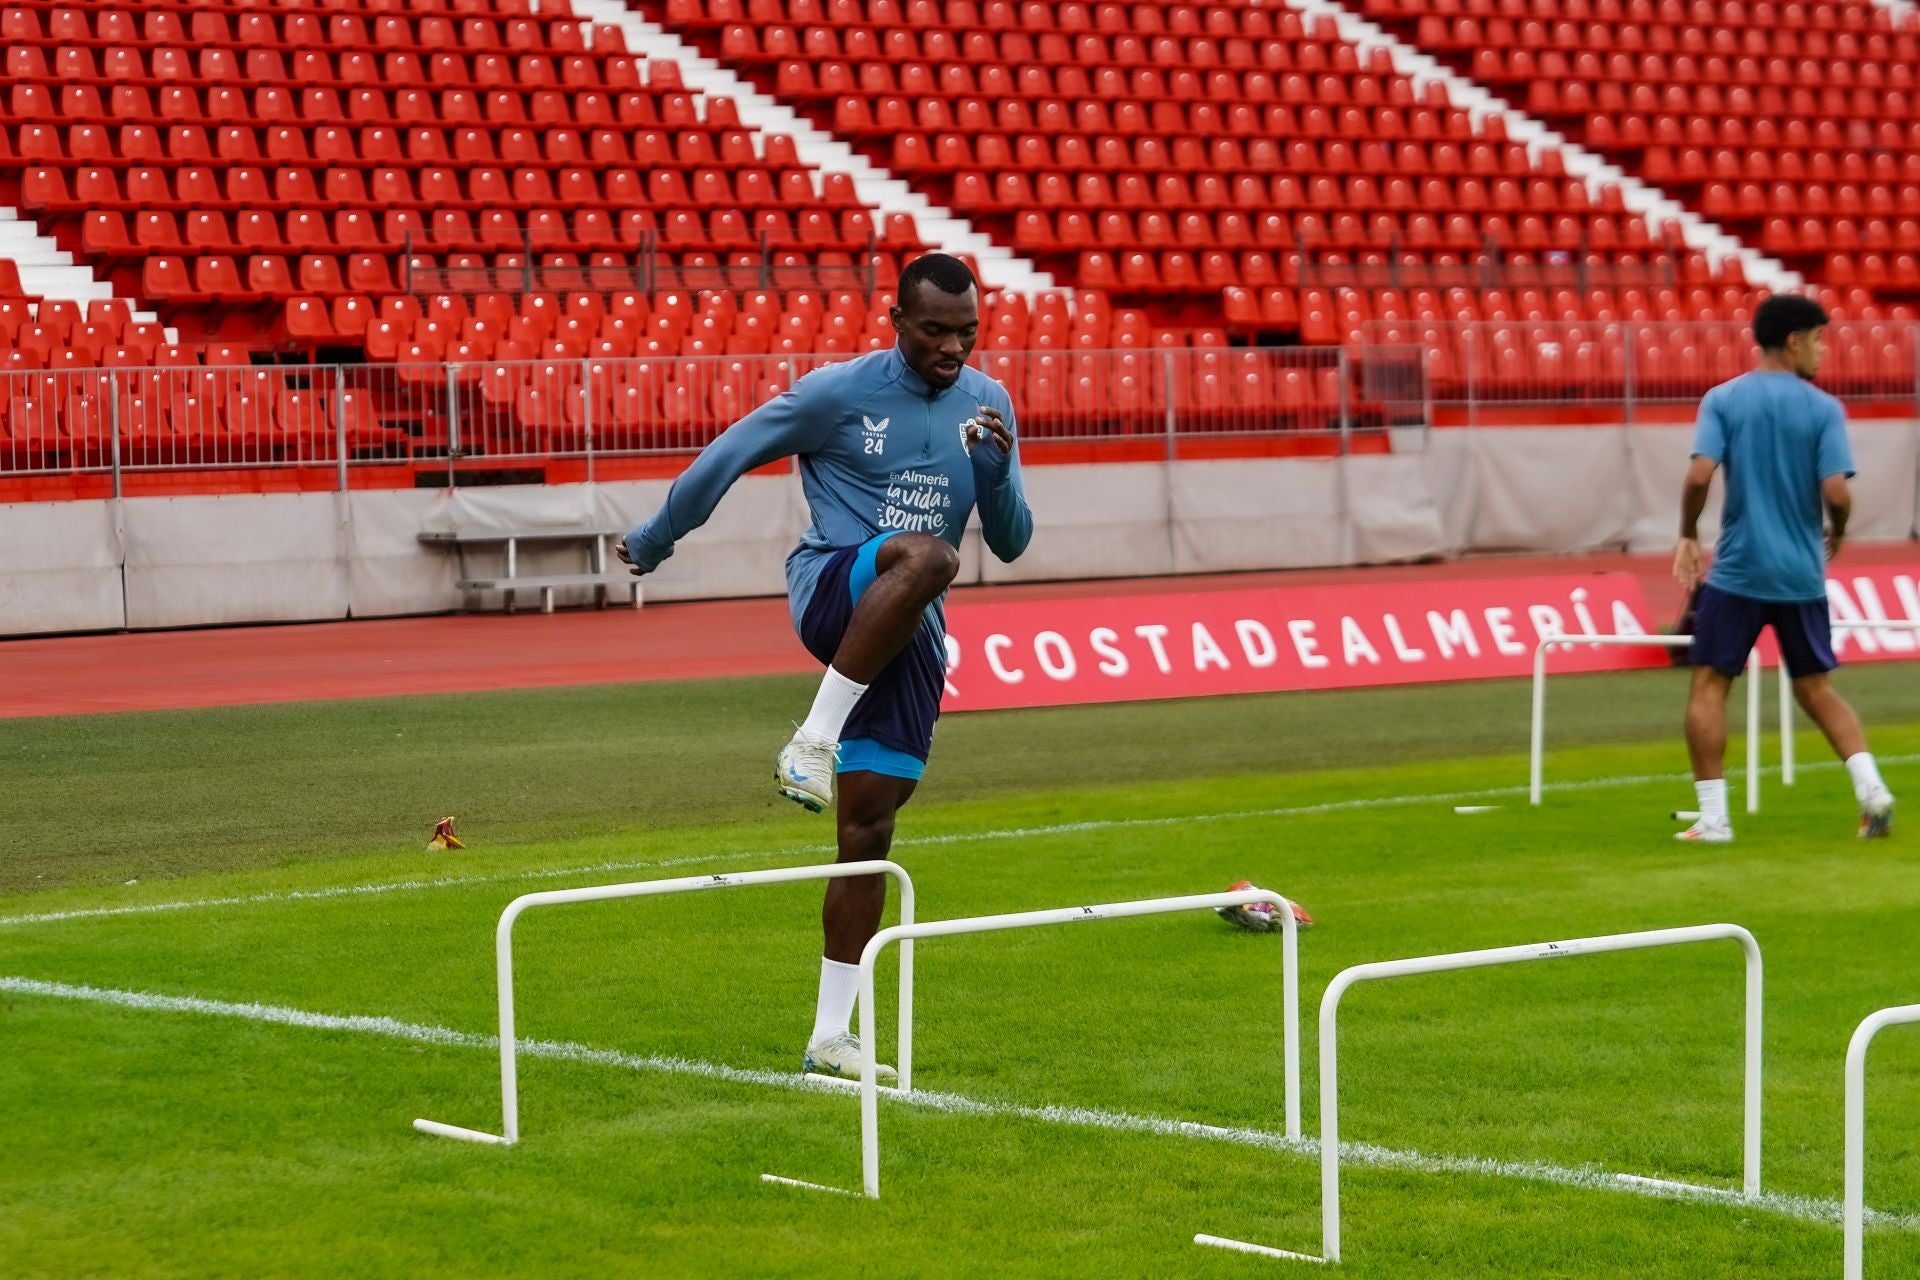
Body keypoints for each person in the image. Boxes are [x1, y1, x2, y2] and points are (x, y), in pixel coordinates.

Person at [618, 254, 1034, 1078]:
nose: (954, 349)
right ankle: (811, 735)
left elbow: (1014, 542)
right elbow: (734, 452)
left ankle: (829, 1037)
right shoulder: (838, 393)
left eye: (968, 333)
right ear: (895, 321)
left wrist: (995, 473)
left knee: (869, 832)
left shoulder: (988, 403)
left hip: (910, 631)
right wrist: (657, 537)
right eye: (935, 332)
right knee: (930, 557)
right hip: (835, 587)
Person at [1673, 293, 1894, 842]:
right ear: (1794, 340)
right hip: (1801, 575)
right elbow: (1837, 493)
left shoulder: (1723, 399)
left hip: (1741, 572)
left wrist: (1687, 534)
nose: (1822, 351)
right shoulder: (1823, 409)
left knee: (1709, 685)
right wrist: (1837, 533)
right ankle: (1871, 789)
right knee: (1817, 688)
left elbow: (1699, 476)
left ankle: (1715, 818)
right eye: (1819, 339)